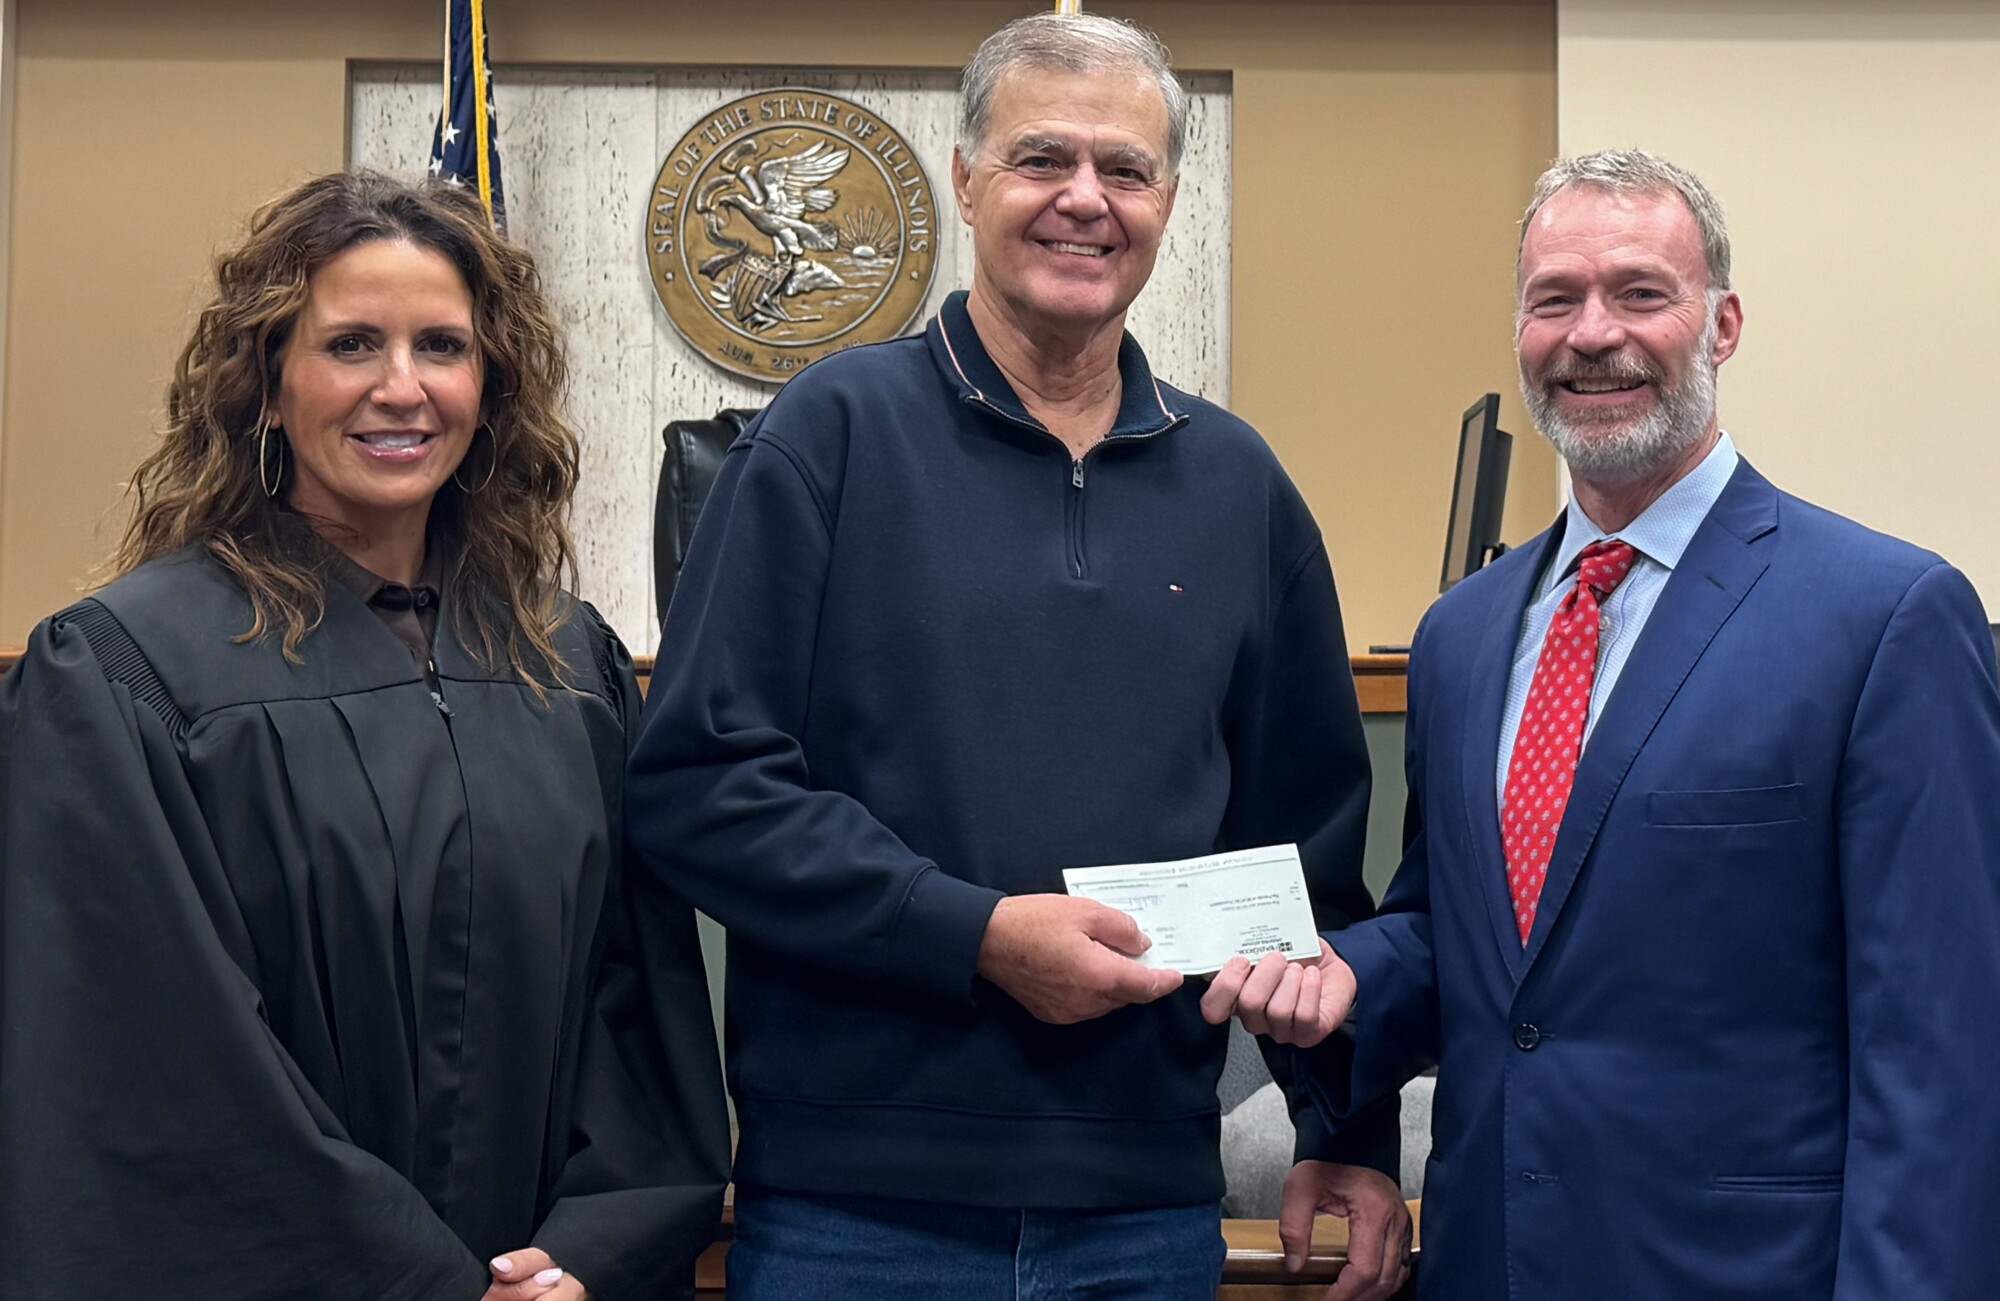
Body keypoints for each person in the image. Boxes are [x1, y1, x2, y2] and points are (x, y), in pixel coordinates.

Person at [627, 13, 1408, 1301]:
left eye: (1127, 169)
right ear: (965, 178)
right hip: (854, 1212)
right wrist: (974, 933)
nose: (1084, 200)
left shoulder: (1240, 487)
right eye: (1043, 157)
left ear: (1168, 198)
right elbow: (697, 788)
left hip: (1145, 1212)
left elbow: (1305, 863)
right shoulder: (827, 438)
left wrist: (1345, 1128)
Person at [1207, 149, 2000, 1299]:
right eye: (1553, 299)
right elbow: (1462, 934)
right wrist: (1341, 974)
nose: (1590, 334)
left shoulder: (1885, 616)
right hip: (1490, 1259)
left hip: (1747, 1272)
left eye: (1638, 292)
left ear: (1721, 323)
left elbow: (1935, 1043)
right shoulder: (1461, 636)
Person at [0, 172, 730, 1300]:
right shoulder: (128, 669)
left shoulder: (560, 660)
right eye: (350, 345)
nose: (403, 389)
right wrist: (415, 1279)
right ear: (266, 387)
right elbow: (156, 1058)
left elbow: (634, 1002)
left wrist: (590, 1248)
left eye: (441, 346)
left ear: (490, 388)